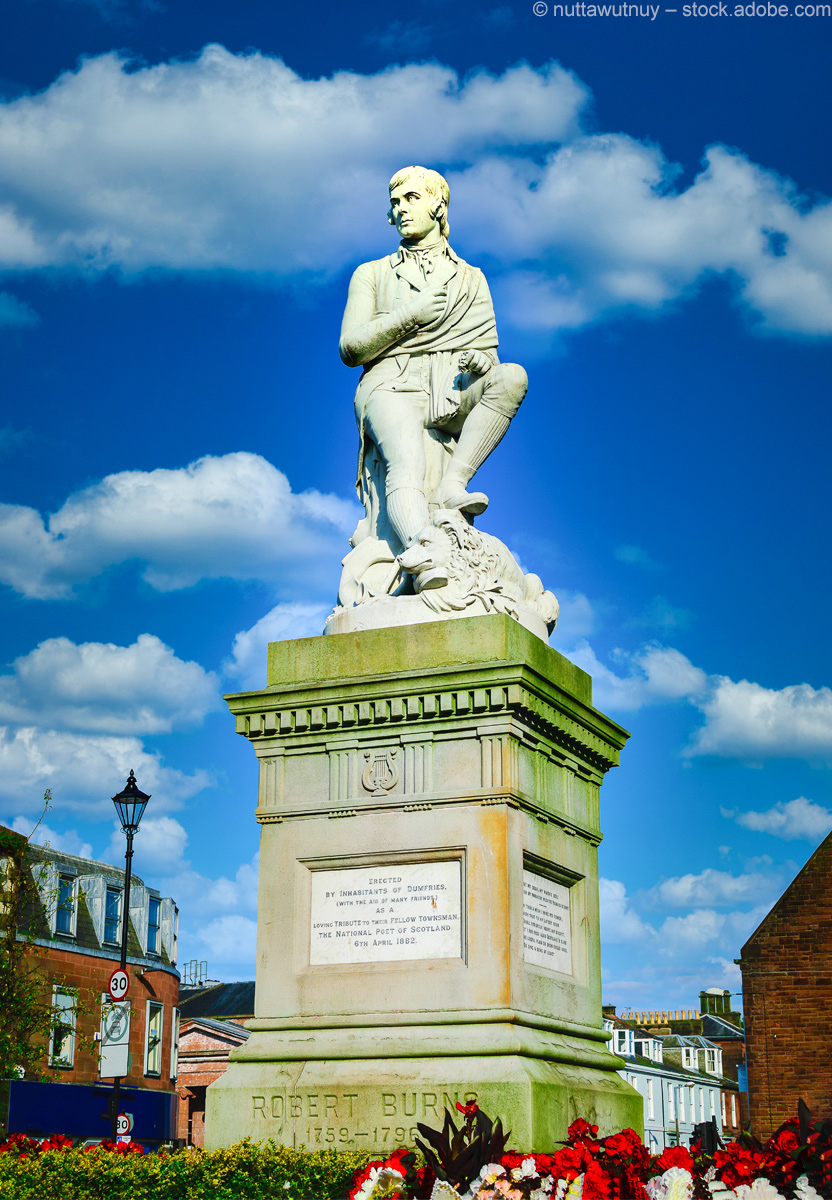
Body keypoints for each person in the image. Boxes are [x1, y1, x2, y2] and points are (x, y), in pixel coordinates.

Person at [339, 165, 528, 555]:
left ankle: (453, 485)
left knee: (512, 377)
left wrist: (480, 361)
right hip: (391, 384)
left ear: (438, 205)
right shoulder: (371, 274)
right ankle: (421, 552)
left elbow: (488, 351)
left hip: (450, 388)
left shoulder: (471, 277)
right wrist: (412, 315)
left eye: (411, 198)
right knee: (406, 461)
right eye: (395, 203)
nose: (401, 210)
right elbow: (351, 348)